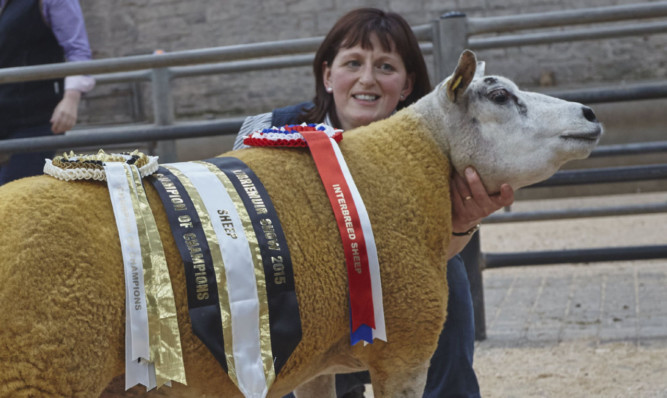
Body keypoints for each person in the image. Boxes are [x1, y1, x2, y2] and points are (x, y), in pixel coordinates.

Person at [233, 8, 514, 398]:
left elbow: (440, 249)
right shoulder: (268, 132)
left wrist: (464, 222)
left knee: (446, 275)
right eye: (353, 63)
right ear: (328, 76)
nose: (367, 79)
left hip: (402, 295)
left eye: (385, 66)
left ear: (406, 85)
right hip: (304, 297)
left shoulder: (435, 148)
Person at [0, 0, 95, 185]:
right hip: (4, 113)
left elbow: (78, 51)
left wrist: (71, 99)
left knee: (16, 192)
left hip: (36, 116)